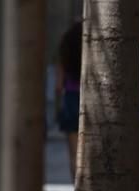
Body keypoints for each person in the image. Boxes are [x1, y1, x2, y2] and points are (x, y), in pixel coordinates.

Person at [56, 20, 82, 180]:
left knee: (74, 154)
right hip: (91, 99)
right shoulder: (92, 49)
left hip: (71, 99)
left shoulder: (64, 51)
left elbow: (58, 86)